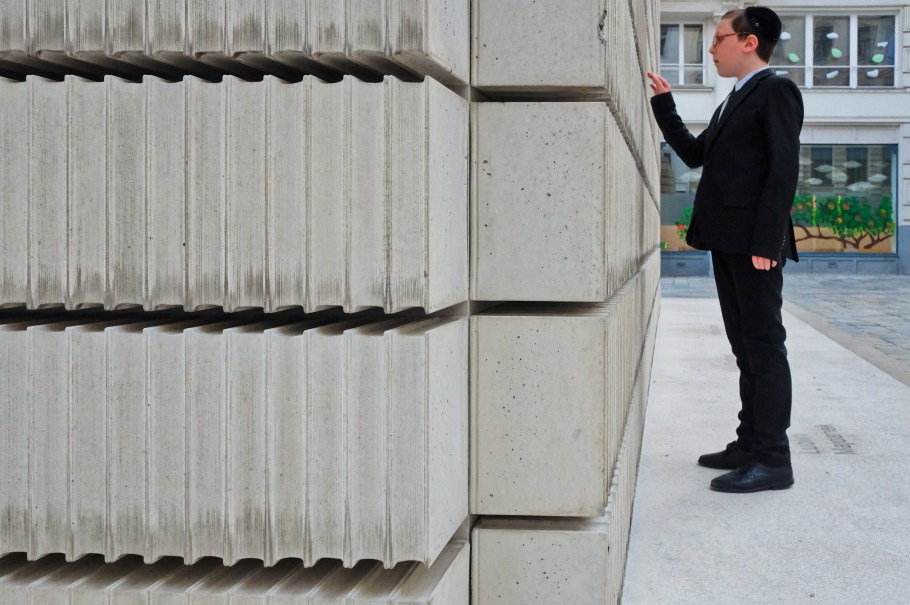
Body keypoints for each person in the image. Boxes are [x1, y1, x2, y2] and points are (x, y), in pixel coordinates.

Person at [646, 6, 804, 493]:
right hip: (728, 241)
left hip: (754, 245)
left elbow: (783, 169)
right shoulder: (731, 100)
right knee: (745, 349)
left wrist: (768, 243)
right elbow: (696, 155)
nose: (711, 48)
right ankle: (749, 442)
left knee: (764, 347)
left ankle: (774, 459)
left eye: (717, 39)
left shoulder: (776, 90)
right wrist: (665, 105)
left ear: (749, 41)